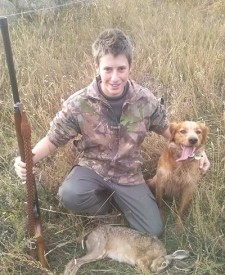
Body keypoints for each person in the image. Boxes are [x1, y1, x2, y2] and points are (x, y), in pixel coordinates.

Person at [14, 28, 210, 236]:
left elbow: (169, 131)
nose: (115, 77)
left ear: (130, 67)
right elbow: (53, 139)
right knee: (70, 196)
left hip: (128, 173)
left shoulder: (145, 100)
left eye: (121, 69)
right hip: (92, 168)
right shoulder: (79, 103)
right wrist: (28, 158)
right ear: (96, 67)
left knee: (153, 230)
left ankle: (122, 198)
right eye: (107, 69)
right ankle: (106, 205)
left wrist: (198, 153)